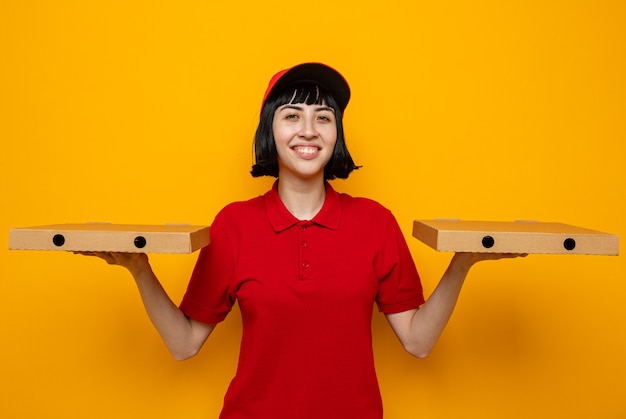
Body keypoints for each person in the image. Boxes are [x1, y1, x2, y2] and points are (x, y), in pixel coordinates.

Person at [81, 63, 523, 418]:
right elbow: (184, 344)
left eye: (323, 118)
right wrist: (138, 269)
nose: (308, 130)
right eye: (292, 116)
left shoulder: (374, 222)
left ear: (336, 134)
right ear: (270, 131)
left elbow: (418, 341)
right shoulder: (234, 225)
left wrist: (463, 262)